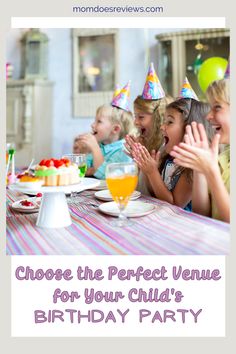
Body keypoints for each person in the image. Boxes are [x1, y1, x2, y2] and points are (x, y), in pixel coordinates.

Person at [132, 96, 212, 210]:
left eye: (169, 122)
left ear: (188, 129)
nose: (162, 127)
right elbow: (154, 193)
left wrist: (153, 172)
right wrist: (146, 169)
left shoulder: (190, 168)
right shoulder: (167, 157)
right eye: (164, 121)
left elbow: (175, 205)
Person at [170, 77, 230, 222]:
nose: (208, 116)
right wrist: (199, 169)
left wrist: (211, 172)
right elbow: (202, 215)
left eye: (217, 107)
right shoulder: (223, 158)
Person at [124, 63, 173, 195]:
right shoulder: (147, 143)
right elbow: (140, 189)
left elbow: (156, 195)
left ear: (158, 118)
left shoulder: (165, 148)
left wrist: (146, 164)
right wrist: (139, 159)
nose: (135, 122)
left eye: (141, 117)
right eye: (135, 116)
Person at [75, 81, 134, 180]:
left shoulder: (124, 151)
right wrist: (85, 150)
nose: (92, 125)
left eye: (99, 121)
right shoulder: (101, 147)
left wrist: (94, 148)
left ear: (115, 129)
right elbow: (83, 170)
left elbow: (106, 176)